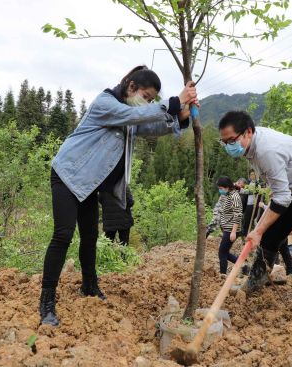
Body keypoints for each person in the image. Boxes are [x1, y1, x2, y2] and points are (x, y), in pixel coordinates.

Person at [39, 65, 198, 326]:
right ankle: (46, 302)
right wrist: (175, 100)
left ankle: (89, 286)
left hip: (88, 185)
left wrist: (180, 115)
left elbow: (152, 127)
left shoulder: (130, 116)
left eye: (151, 100)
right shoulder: (106, 103)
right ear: (131, 86)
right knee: (63, 235)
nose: (147, 102)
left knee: (90, 237)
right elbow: (134, 116)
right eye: (146, 97)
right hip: (68, 175)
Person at [218, 111, 292, 323]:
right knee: (270, 237)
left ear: (248, 132)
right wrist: (260, 230)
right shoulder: (251, 148)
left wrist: (258, 230)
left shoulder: (266, 150)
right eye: (224, 142)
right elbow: (279, 194)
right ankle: (256, 279)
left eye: (232, 140)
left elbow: (281, 199)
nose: (228, 146)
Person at [216, 176, 244, 275]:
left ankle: (222, 274)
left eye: (221, 188)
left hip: (232, 229)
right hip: (227, 228)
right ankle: (243, 266)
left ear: (227, 187)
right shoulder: (228, 195)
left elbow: (238, 214)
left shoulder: (234, 196)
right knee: (225, 252)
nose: (220, 190)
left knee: (222, 252)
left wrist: (233, 232)